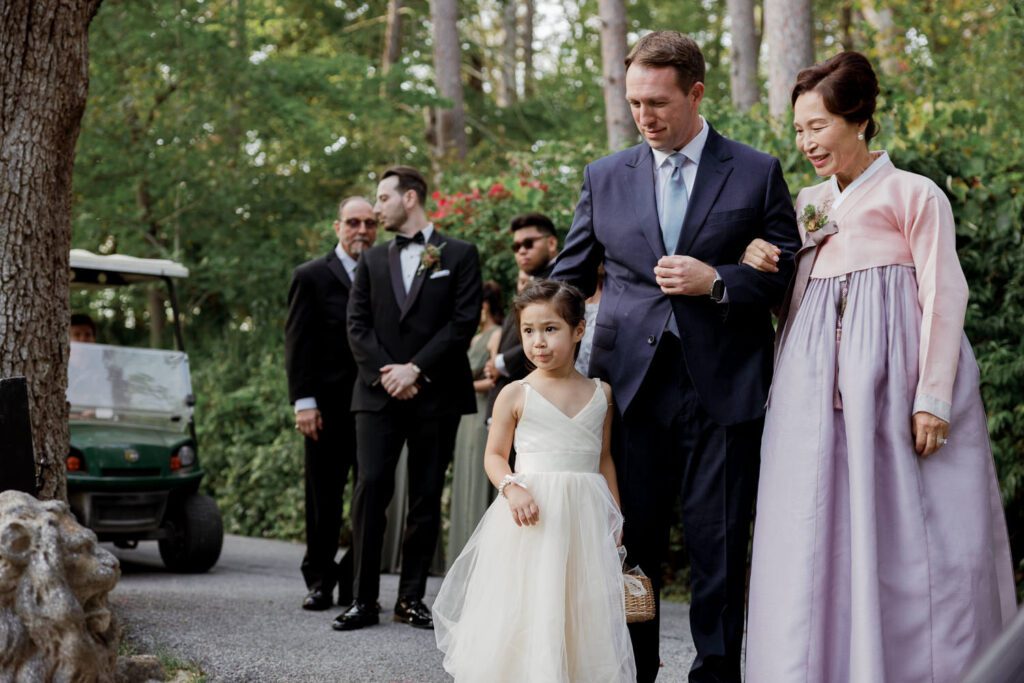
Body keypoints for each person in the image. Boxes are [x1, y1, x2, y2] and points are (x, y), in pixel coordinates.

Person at [740, 51, 1016, 682]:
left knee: (910, 531)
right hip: (812, 393)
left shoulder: (914, 195)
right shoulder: (808, 201)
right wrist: (765, 262)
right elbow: (801, 301)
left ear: (859, 119)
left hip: (892, 388)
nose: (806, 142)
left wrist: (933, 398)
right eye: (800, 129)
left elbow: (944, 294)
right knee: (816, 528)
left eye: (818, 125)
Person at [550, 31, 801, 682]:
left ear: (695, 93)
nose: (644, 117)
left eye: (657, 102)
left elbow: (787, 271)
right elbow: (569, 277)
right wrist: (542, 359)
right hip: (627, 391)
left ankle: (716, 675)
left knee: (719, 546)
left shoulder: (756, 170)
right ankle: (633, 671)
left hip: (723, 389)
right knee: (628, 546)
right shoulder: (605, 176)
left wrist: (716, 279)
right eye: (634, 103)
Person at [433, 280, 636, 682]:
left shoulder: (602, 393)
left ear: (579, 330)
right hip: (533, 517)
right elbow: (493, 455)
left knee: (579, 609)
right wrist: (512, 488)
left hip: (584, 518)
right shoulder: (515, 393)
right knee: (529, 604)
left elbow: (603, 459)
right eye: (528, 331)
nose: (538, 342)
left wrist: (616, 519)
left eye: (550, 329)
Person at [336, 165, 482, 631]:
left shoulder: (459, 254)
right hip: (377, 395)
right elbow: (356, 326)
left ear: (411, 198)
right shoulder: (372, 261)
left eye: (382, 198)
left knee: (424, 497)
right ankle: (362, 599)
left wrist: (416, 369)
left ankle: (411, 598)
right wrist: (390, 375)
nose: (376, 208)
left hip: (434, 393)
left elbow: (462, 324)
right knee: (370, 489)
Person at [285, 196, 377, 611]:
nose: (362, 230)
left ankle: (352, 577)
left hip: (376, 406)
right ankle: (320, 580)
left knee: (374, 493)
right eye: (354, 222)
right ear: (337, 226)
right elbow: (297, 344)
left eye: (370, 223)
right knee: (324, 497)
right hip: (325, 408)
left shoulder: (384, 272)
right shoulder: (311, 276)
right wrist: (304, 402)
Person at [446, 280, 504, 565]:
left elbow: (495, 379)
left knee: (480, 476)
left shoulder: (495, 335)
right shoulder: (471, 337)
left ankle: (482, 556)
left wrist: (461, 387)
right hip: (463, 415)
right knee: (464, 477)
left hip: (482, 410)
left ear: (485, 306)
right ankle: (461, 554)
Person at [484, 213, 559, 408]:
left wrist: (501, 363)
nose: (522, 251)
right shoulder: (532, 282)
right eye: (516, 247)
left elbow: (551, 335)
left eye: (528, 243)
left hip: (535, 398)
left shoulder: (559, 282)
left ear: (551, 243)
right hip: (507, 392)